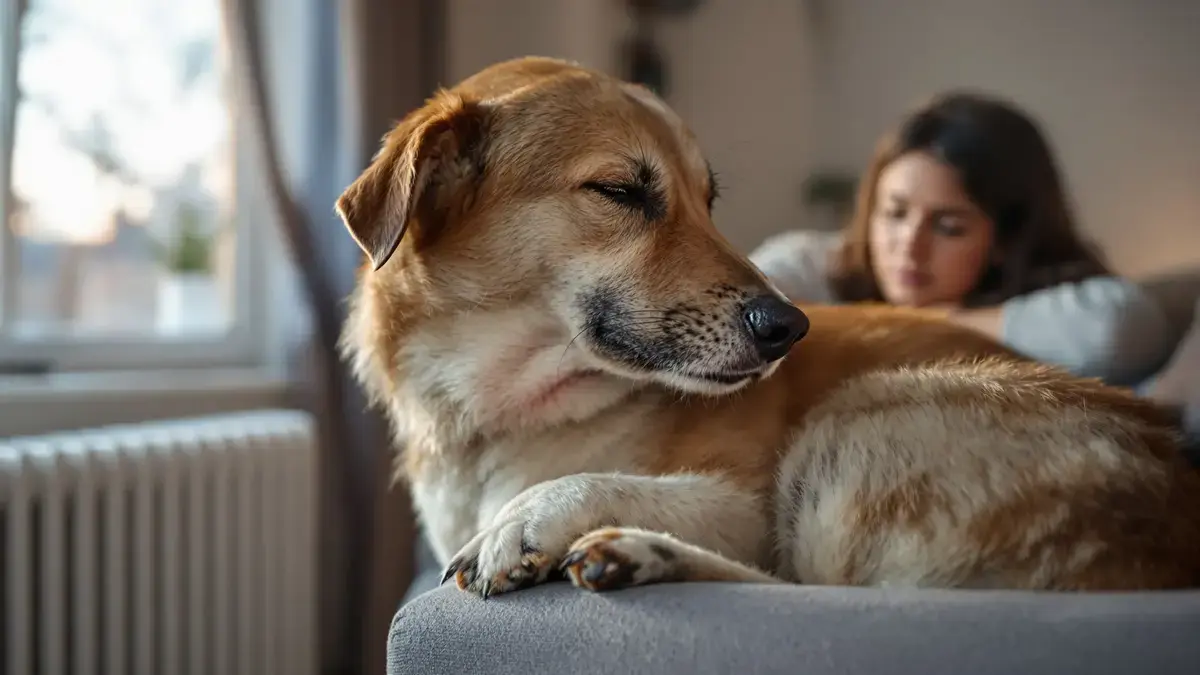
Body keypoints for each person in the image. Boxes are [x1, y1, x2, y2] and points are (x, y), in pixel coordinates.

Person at [750, 91, 1174, 387]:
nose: (909, 246)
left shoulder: (1076, 306)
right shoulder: (814, 263)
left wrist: (933, 322)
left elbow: (1117, 330)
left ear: (1006, 238)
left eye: (948, 227)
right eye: (894, 213)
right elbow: (743, 303)